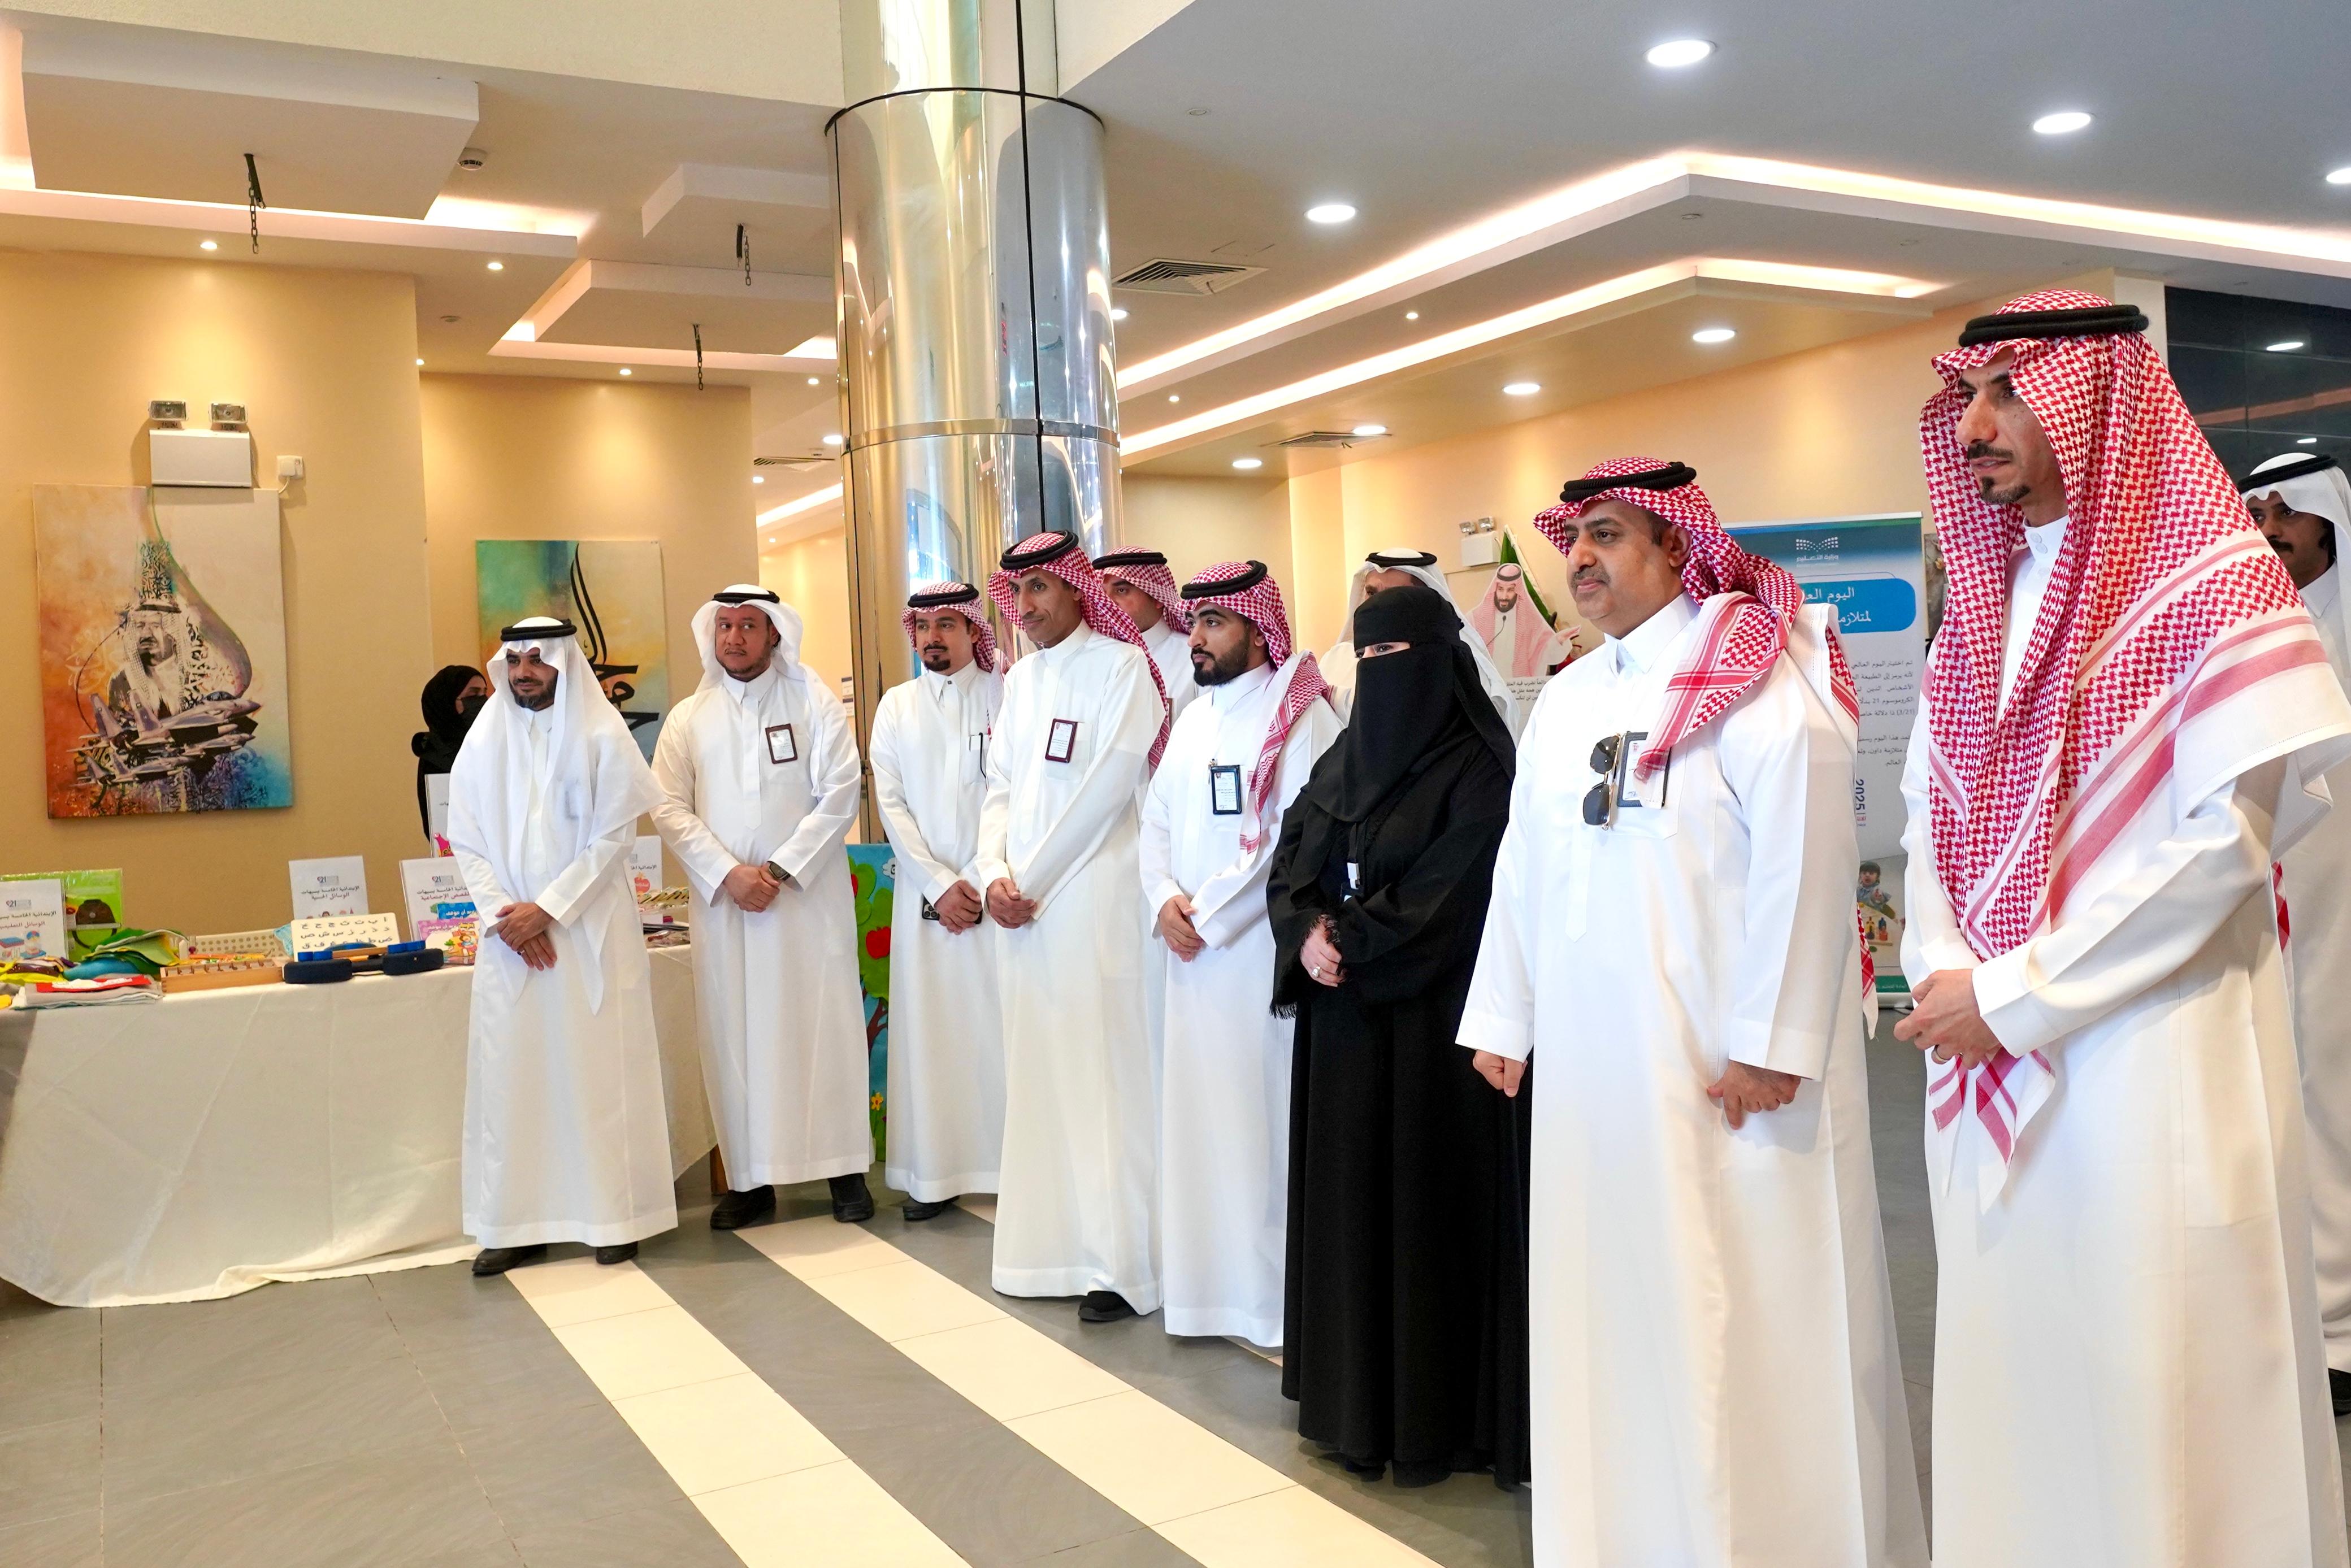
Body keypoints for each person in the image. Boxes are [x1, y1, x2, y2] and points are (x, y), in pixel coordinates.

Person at [1895, 291, 2351, 1568]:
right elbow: (1932, 811)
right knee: (2018, 1369)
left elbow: (2219, 849)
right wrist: (1945, 965)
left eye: (2009, 392)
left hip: (2150, 1055)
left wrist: (2014, 996)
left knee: (2160, 1383)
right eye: (1967, 397)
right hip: (1986, 1046)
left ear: (2096, 401)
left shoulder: (2217, 586)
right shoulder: (1984, 598)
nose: (1975, 426)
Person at [1459, 458, 1926, 1565]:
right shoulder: (1570, 697)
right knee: (1609, 1305)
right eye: (1574, 538)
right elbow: (1524, 866)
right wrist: (1505, 1015)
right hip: (1595, 1077)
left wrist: (1772, 1044)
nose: (1581, 558)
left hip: (1726, 1075)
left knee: (1738, 1312)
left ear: (1677, 547)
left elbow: (1810, 870)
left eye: (1608, 534)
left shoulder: (1763, 678)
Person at [1268, 581, 1528, 1487]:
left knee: (1425, 1214)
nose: (1382, 674)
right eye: (1367, 657)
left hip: (1433, 1032)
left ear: (1441, 662)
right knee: (1349, 1210)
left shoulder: (1481, 767)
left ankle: (1431, 1419)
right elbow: (1293, 855)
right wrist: (1305, 931)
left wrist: (1352, 939)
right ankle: (1350, 1405)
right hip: (1343, 1028)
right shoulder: (1341, 760)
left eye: (1397, 657)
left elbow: (1454, 890)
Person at [1143, 561, 1342, 1346]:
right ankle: (1206, 1295)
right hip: (1188, 959)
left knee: (1260, 1130)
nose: (1196, 637)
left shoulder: (1299, 715)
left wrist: (1209, 915)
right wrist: (1163, 899)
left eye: (1214, 623)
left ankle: (1269, 1305)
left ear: (1259, 632)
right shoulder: (1193, 719)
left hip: (1259, 954)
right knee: (1200, 1128)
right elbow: (1155, 822)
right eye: (1194, 622)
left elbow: (1294, 838)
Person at [979, 531, 1170, 1322]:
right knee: (1040, 1078)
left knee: (1102, 1082)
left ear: (1074, 589)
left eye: (1039, 589)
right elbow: (998, 788)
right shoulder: (1020, 681)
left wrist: (1028, 881)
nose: (1024, 607)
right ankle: (1046, 1249)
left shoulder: (1123, 668)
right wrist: (991, 873)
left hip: (1092, 903)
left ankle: (1119, 1266)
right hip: (1022, 916)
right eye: (1015, 593)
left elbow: (1109, 786)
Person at [446, 616, 675, 1274]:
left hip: (586, 935)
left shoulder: (601, 734)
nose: (524, 672)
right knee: (513, 1078)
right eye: (515, 660)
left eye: (537, 660)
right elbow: (466, 840)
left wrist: (546, 911)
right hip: (509, 943)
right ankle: (515, 1223)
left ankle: (613, 1216)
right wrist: (505, 918)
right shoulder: (484, 739)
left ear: (563, 664)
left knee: (598, 1073)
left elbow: (613, 841)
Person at [650, 586, 872, 1230]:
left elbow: (841, 792)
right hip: (726, 907)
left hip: (805, 903)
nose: (735, 638)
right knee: (735, 1033)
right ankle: (749, 1180)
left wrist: (776, 871)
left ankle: (843, 1169)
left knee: (821, 1025)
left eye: (749, 626)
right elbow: (666, 806)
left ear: (774, 633)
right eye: (725, 626)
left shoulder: (813, 702)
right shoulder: (689, 718)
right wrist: (729, 873)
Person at [2245, 451, 2351, 1416]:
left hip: (2340, 896)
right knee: (2299, 1084)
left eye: (2290, 510)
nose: (2272, 526)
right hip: (2280, 889)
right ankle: (2319, 1315)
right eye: (2260, 508)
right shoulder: (2259, 627)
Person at [869, 581, 1007, 1222]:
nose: (932, 638)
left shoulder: (1007, 694)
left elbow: (1015, 794)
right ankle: (934, 1176)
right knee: (931, 1036)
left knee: (995, 1031)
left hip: (995, 896)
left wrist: (976, 879)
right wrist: (937, 884)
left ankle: (1008, 1170)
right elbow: (890, 804)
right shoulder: (896, 707)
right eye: (923, 626)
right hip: (924, 902)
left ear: (974, 629)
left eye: (947, 624)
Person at [1316, 546, 1513, 724]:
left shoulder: (1457, 665)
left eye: (1394, 596)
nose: (1378, 604)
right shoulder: (1335, 659)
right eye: (1372, 593)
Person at [1094, 547, 1199, 731]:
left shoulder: (1195, 658)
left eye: (1121, 590)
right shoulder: (1096, 658)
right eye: (1103, 593)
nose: (1107, 602)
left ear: (1158, 597)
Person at [413, 663, 487, 838]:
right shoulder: (435, 755)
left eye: (485, 694)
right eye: (473, 695)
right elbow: (439, 823)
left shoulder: (490, 743)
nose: (483, 702)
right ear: (446, 703)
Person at [1467, 561, 1571, 679]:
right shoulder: (1475, 619)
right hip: (1489, 685)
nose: (1504, 596)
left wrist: (1558, 641)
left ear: (1518, 592)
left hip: (1520, 687)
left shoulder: (1530, 620)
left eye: (1510, 590)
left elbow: (1545, 650)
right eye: (1500, 589)